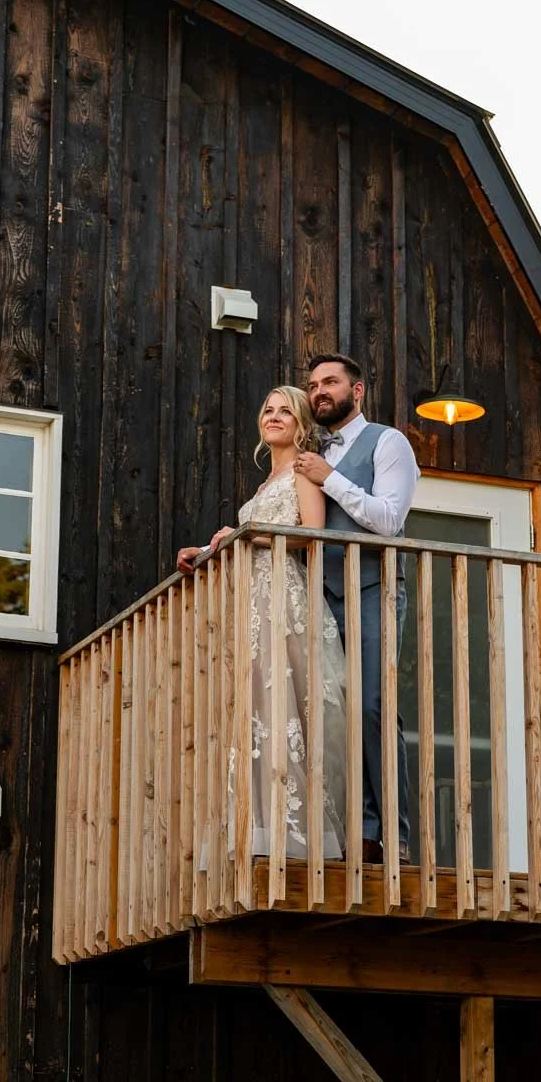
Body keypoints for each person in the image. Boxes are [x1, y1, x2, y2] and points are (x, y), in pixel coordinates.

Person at [177, 387, 347, 860]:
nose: (274, 417)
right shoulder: (261, 485)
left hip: (282, 600)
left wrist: (248, 535)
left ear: (300, 423)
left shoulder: (302, 471)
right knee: (252, 710)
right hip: (250, 603)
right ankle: (257, 827)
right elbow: (248, 540)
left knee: (282, 706)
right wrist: (211, 549)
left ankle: (296, 833)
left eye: (284, 411)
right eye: (267, 409)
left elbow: (312, 535)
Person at [294, 353, 419, 863]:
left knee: (371, 706)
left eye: (331, 382)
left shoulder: (388, 443)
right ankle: (351, 831)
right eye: (314, 384)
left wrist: (330, 477)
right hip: (320, 596)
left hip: (373, 588)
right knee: (331, 713)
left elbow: (389, 520)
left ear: (357, 390)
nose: (320, 391)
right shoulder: (307, 452)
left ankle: (392, 832)